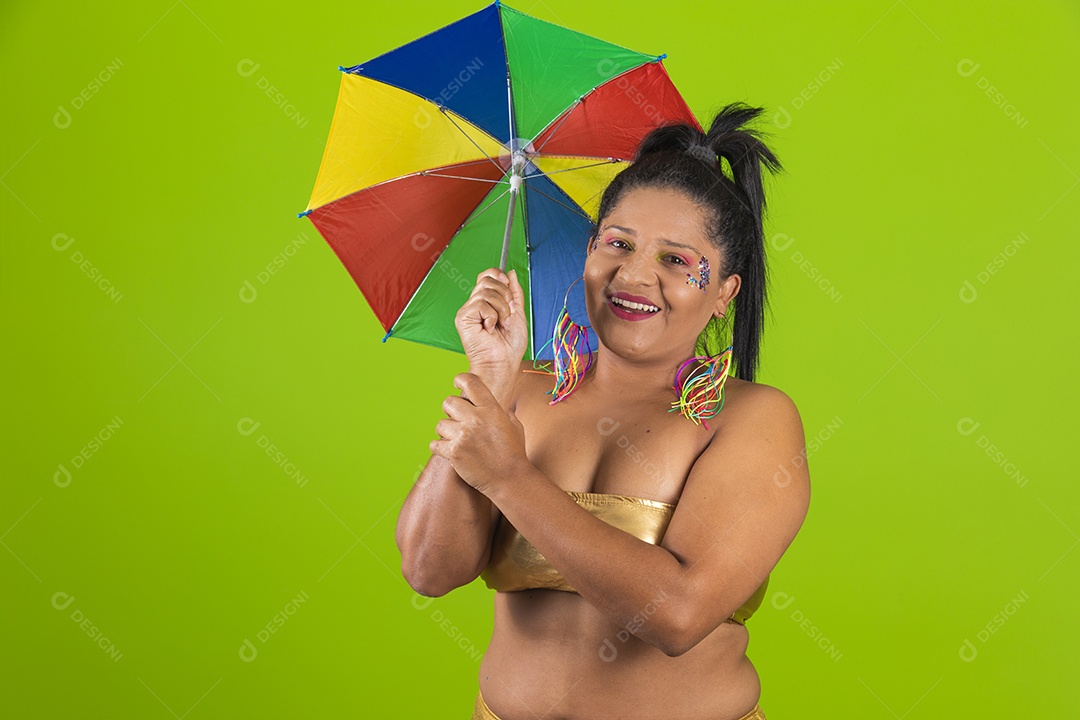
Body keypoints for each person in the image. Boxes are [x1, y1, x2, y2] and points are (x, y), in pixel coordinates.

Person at [396, 103, 811, 720]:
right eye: (617, 243)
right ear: (588, 253)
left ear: (726, 292)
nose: (634, 275)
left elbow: (676, 616)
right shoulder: (520, 389)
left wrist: (510, 476)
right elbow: (429, 569)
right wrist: (488, 376)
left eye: (675, 260)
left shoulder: (751, 418)